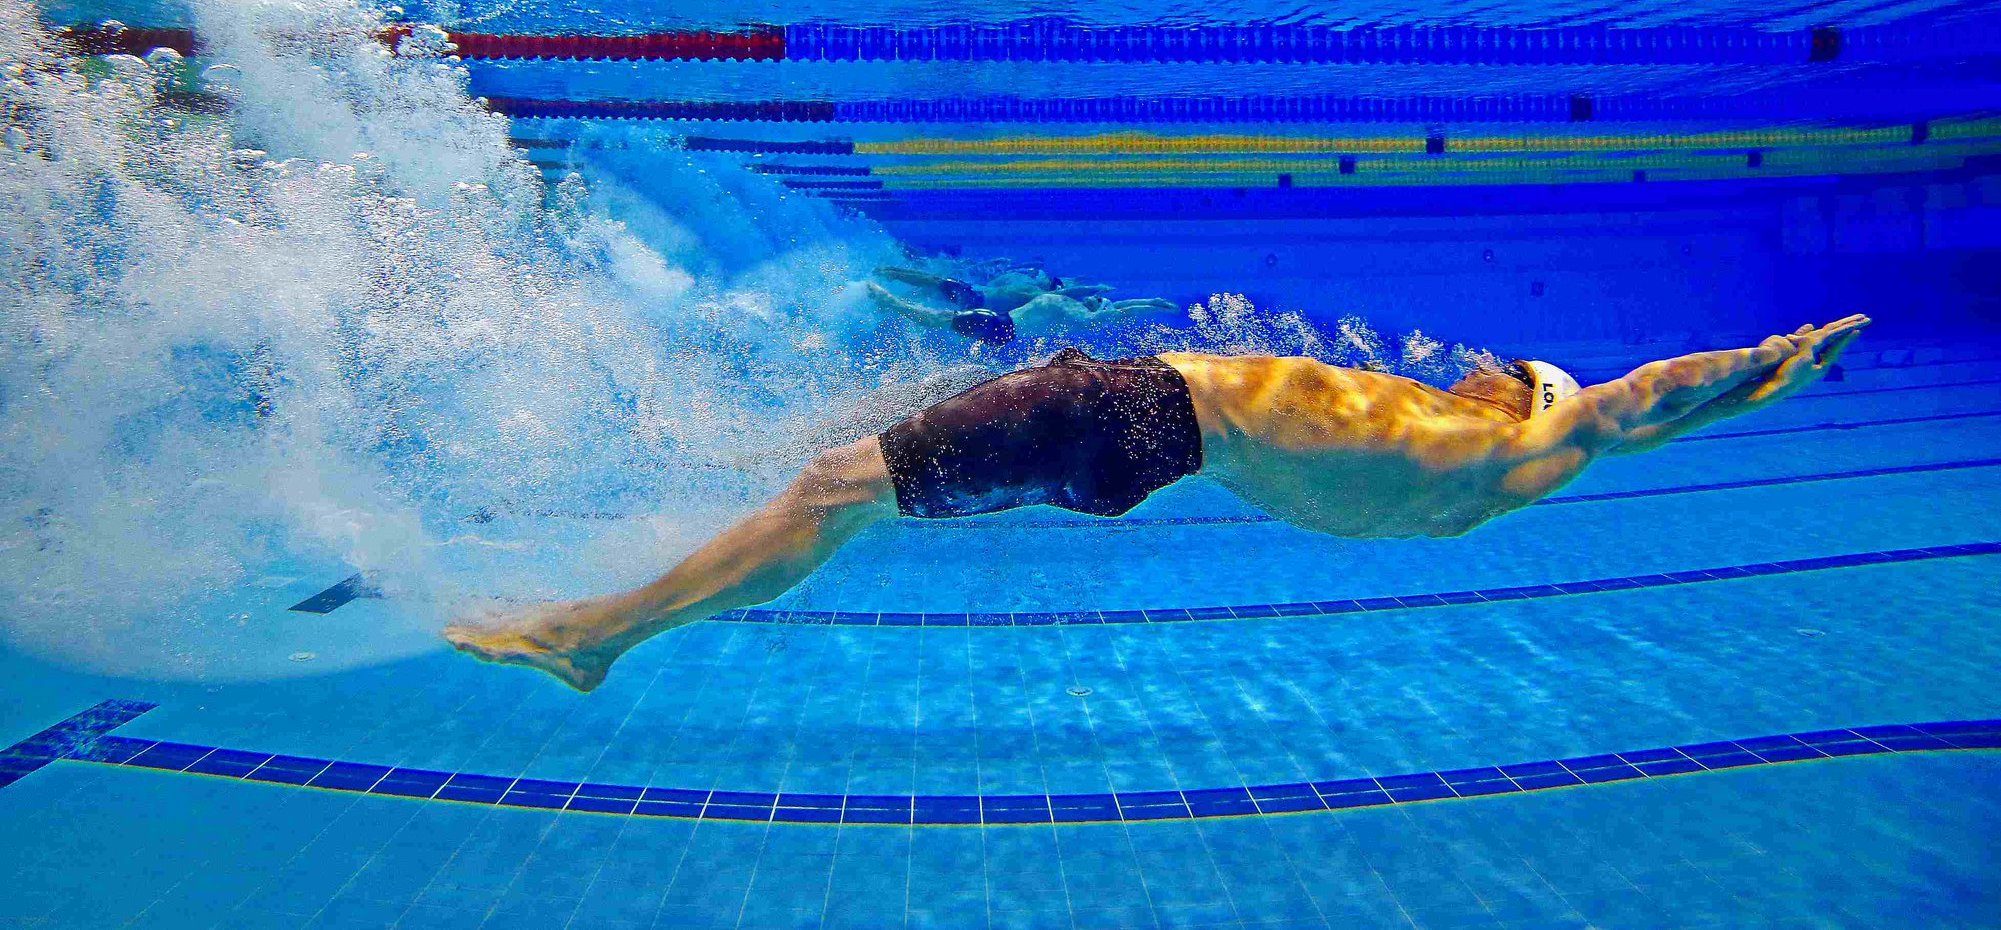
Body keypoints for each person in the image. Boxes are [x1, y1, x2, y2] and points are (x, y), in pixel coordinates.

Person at [444, 314, 1870, 691]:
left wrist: (1755, 358)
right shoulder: (1492, 485)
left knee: (832, 486)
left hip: (1138, 412)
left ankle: (599, 632)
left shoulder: (1501, 429)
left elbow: (1633, 396)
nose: (1472, 368)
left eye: (1504, 371)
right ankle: (631, 604)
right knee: (845, 476)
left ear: (1524, 395)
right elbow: (1639, 427)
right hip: (1146, 447)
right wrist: (1760, 396)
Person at [865, 261, 1177, 344]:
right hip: (997, 321)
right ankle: (889, 291)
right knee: (939, 312)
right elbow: (1078, 292)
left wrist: (1148, 305)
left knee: (939, 317)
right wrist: (1143, 297)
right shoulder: (1063, 302)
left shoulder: (1079, 316)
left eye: (1098, 299)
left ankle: (891, 304)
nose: (1094, 298)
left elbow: (1115, 313)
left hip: (1000, 327)